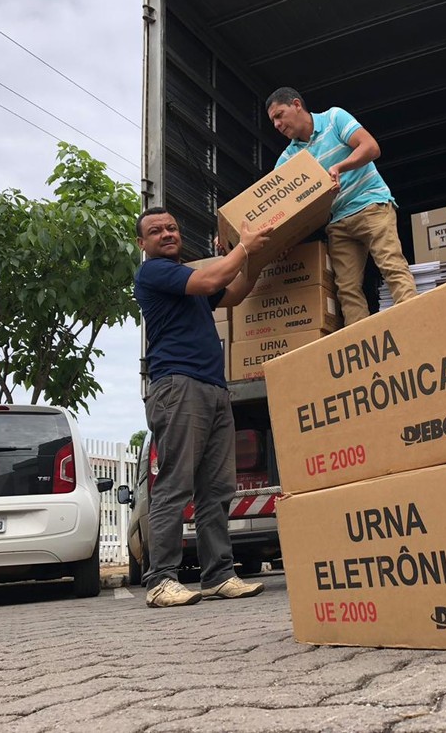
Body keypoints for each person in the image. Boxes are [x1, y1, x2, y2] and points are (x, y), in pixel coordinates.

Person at [134, 207, 270, 608]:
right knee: (175, 485)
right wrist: (244, 248)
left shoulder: (186, 278)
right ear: (142, 243)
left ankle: (218, 576)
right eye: (156, 231)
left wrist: (255, 258)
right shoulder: (154, 273)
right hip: (178, 385)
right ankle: (161, 580)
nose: (167, 234)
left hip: (213, 387)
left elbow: (233, 293)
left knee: (217, 489)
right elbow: (213, 278)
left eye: (172, 227)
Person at [265, 87, 417, 325]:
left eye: (279, 115)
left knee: (392, 267)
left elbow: (371, 147)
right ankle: (362, 342)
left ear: (296, 105)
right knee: (347, 289)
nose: (276, 125)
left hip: (370, 204)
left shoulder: (333, 118)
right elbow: (272, 205)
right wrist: (278, 241)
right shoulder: (287, 159)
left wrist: (339, 167)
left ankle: (417, 327)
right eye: (273, 121)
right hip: (338, 222)